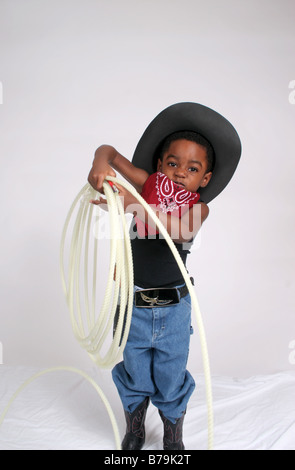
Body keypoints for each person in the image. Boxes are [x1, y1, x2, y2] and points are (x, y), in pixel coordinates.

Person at [87, 103, 241, 450]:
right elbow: (109, 153)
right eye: (172, 163)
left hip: (173, 310)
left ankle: (173, 433)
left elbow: (180, 231)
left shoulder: (197, 208)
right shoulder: (148, 185)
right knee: (136, 370)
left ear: (205, 179)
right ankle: (136, 427)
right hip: (134, 304)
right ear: (159, 164)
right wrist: (100, 163)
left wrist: (133, 204)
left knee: (170, 376)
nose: (179, 172)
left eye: (192, 167)